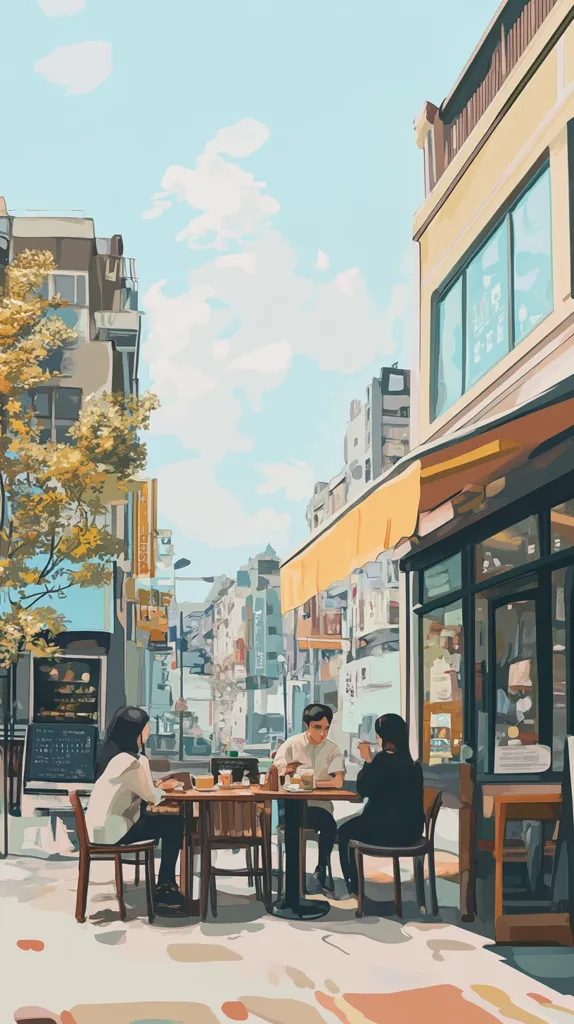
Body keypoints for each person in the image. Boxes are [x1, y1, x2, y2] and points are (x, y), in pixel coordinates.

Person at [86, 706, 186, 917]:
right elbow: (152, 798)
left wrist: (153, 786)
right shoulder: (135, 761)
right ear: (136, 732)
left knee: (158, 821)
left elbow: (136, 789)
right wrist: (164, 787)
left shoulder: (112, 758)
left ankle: (165, 884)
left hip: (95, 829)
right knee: (173, 823)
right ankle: (165, 886)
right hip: (114, 831)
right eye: (146, 726)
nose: (149, 730)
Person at [337, 713, 424, 899]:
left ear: (383, 737)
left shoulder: (381, 761)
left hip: (384, 832)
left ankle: (354, 889)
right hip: (411, 832)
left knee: (343, 833)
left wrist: (368, 760)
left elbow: (363, 789)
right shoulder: (414, 765)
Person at [274, 703, 344, 893]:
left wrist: (309, 783)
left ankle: (321, 868)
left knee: (329, 824)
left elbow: (337, 782)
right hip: (291, 806)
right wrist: (286, 768)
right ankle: (293, 879)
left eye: (326, 728)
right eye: (317, 727)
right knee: (293, 825)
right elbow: (277, 768)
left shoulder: (332, 749)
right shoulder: (292, 744)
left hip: (319, 807)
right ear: (307, 725)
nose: (322, 733)